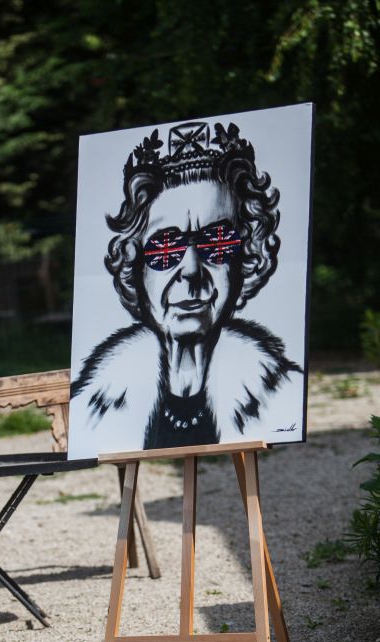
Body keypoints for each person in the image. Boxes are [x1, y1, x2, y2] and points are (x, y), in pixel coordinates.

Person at [70, 120, 304, 452]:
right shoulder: (92, 412)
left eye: (217, 242)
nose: (191, 270)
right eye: (166, 248)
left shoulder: (281, 396)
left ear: (246, 256)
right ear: (135, 266)